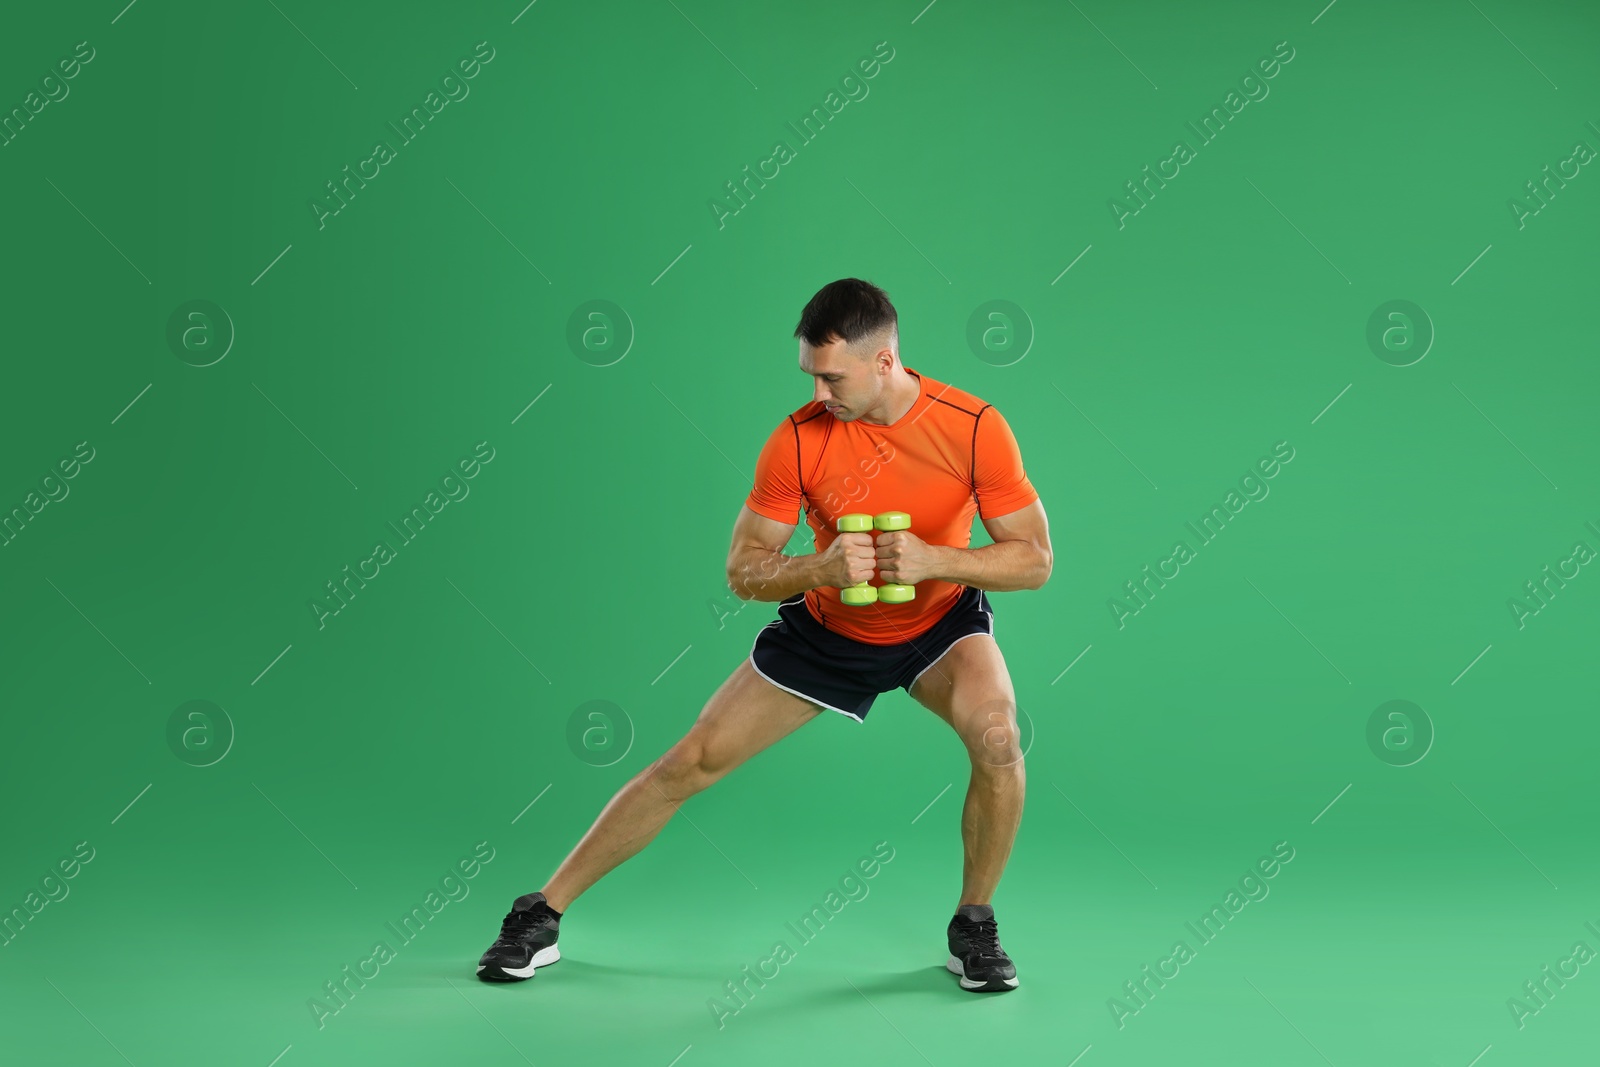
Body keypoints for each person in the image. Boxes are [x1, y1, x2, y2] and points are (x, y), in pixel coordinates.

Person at [477, 278, 1052, 993]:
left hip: (938, 629)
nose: (819, 392)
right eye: (810, 374)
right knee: (690, 761)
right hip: (826, 631)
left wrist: (938, 559)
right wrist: (820, 567)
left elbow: (1034, 559)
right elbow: (743, 572)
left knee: (999, 737)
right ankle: (540, 915)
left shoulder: (971, 425)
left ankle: (974, 923)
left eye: (832, 376)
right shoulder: (797, 440)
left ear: (884, 361)